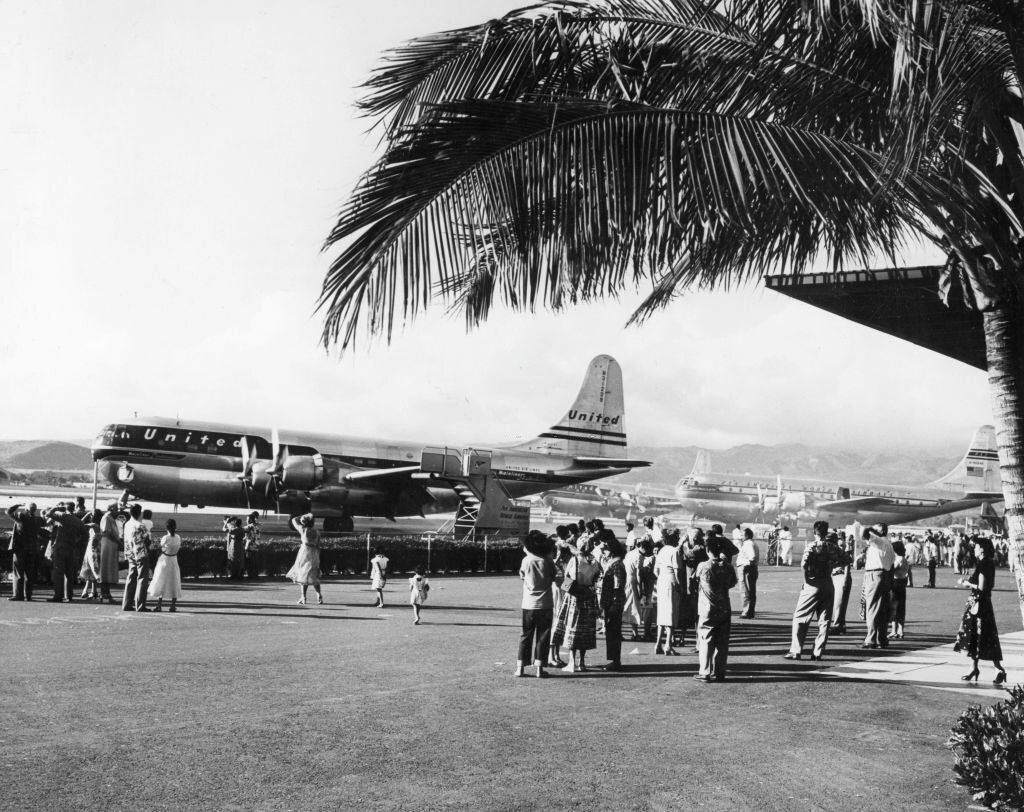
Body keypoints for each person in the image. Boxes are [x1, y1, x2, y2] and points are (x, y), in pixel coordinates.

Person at [954, 536, 1008, 686]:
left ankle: (994, 669)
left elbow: (982, 587)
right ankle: (979, 668)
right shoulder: (988, 563)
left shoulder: (984, 564)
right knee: (981, 636)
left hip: (979, 606)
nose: (974, 549)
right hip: (982, 604)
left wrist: (967, 583)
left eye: (976, 547)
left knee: (980, 635)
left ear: (982, 549)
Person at [785, 522, 838, 661]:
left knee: (800, 617)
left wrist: (806, 580)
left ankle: (796, 650)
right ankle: (817, 652)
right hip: (828, 582)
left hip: (812, 583)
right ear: (826, 532)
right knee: (824, 620)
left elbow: (804, 565)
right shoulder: (832, 547)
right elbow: (844, 559)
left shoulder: (812, 546)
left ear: (815, 532)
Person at [551, 535, 601, 672]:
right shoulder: (594, 561)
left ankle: (572, 662)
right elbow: (597, 578)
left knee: (573, 629)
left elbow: (567, 578)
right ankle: (582, 662)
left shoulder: (574, 560)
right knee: (585, 630)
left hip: (574, 598)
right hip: (589, 598)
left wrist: (566, 591)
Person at [693, 537, 738, 682]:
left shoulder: (703, 566)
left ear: (707, 550)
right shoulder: (728, 566)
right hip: (724, 606)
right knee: (722, 641)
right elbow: (732, 583)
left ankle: (705, 671)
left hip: (707, 607)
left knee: (706, 638)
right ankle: (719, 671)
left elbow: (694, 581)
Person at [515, 530, 555, 678]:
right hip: (545, 603)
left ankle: (520, 667)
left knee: (526, 634)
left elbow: (522, 576)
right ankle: (539, 668)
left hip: (528, 604)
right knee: (543, 636)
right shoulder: (547, 561)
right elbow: (553, 577)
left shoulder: (526, 560)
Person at [861, 523, 895, 649]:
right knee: (882, 610)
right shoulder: (888, 544)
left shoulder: (879, 541)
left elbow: (864, 533)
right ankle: (882, 638)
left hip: (874, 574)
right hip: (885, 575)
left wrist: (871, 529)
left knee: (872, 608)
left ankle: (871, 639)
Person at [598, 533, 627, 671]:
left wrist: (611, 603)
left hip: (614, 603)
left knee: (614, 632)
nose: (604, 552)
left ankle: (615, 661)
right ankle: (614, 660)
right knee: (612, 632)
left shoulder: (616, 566)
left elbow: (617, 585)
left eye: (606, 549)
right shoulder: (615, 564)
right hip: (613, 602)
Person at [45, 503, 84, 603]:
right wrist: (76, 543)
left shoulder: (63, 516)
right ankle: (69, 595)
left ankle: (58, 595)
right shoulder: (77, 520)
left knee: (58, 572)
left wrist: (56, 508)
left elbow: (48, 513)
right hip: (71, 548)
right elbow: (84, 534)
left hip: (60, 547)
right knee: (69, 573)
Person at [653, 528, 683, 655]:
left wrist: (661, 577)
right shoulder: (675, 551)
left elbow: (656, 570)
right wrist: (679, 584)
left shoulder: (662, 551)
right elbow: (677, 571)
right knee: (671, 613)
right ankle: (668, 645)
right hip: (671, 581)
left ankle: (658, 643)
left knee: (662, 613)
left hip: (661, 581)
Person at [6, 502, 42, 601]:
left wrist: (17, 505)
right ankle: (28, 595)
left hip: (20, 549)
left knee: (18, 572)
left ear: (26, 509)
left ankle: (18, 595)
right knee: (29, 573)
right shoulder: (37, 520)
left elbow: (8, 511)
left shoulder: (21, 516)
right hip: (32, 549)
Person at [121, 503, 152, 612]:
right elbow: (147, 540)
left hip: (130, 552)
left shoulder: (127, 524)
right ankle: (140, 604)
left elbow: (124, 539)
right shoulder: (140, 525)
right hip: (140, 552)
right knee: (142, 579)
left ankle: (127, 603)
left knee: (131, 578)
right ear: (139, 513)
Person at [287, 514, 323, 605]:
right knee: (314, 575)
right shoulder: (318, 532)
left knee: (302, 575)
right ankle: (319, 595)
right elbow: (318, 547)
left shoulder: (303, 530)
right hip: (314, 554)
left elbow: (294, 520)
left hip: (304, 554)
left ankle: (303, 597)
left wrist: (302, 517)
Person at [149, 519, 183, 612]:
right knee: (174, 581)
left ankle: (159, 605)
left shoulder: (165, 538)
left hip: (165, 560)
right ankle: (172, 606)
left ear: (166, 528)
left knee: (161, 581)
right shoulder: (178, 537)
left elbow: (160, 547)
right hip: (174, 560)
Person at [98, 502, 122, 603]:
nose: (118, 511)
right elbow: (107, 532)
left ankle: (105, 593)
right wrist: (118, 541)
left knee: (107, 570)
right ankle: (104, 593)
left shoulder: (111, 518)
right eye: (117, 509)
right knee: (105, 570)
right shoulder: (107, 517)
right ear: (111, 509)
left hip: (111, 546)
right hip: (107, 546)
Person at [830, 531, 854, 634]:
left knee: (838, 603)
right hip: (839, 576)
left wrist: (845, 578)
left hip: (841, 576)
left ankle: (836, 625)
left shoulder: (842, 548)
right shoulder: (841, 547)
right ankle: (841, 624)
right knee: (841, 603)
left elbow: (847, 564)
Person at [78, 509, 103, 600]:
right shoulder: (98, 526)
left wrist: (87, 515)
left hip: (92, 549)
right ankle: (92, 591)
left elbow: (80, 523)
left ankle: (93, 591)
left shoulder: (94, 525)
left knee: (92, 569)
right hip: (94, 549)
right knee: (91, 570)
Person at [889, 540, 911, 639]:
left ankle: (894, 630)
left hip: (896, 582)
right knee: (901, 607)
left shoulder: (898, 559)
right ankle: (900, 630)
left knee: (894, 607)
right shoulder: (905, 560)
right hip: (902, 582)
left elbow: (892, 570)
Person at [736, 527, 759, 618]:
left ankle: (746, 611)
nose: (741, 536)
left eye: (742, 534)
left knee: (745, 591)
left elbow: (752, 557)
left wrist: (746, 564)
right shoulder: (751, 543)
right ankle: (750, 611)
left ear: (747, 535)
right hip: (751, 568)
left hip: (746, 568)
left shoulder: (748, 544)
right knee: (750, 590)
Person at [244, 511, 261, 578]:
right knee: (254, 561)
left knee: (249, 561)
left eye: (247, 519)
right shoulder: (256, 526)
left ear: (251, 519)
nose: (246, 520)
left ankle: (250, 575)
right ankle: (254, 574)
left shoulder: (249, 526)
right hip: (256, 545)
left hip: (249, 545)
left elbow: (239, 530)